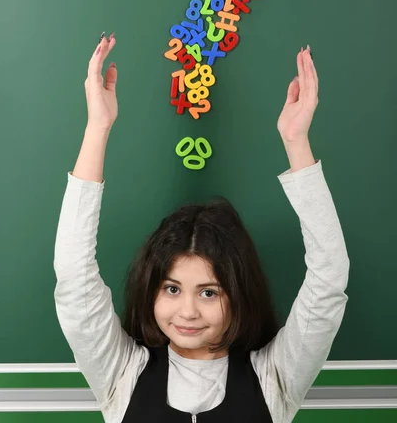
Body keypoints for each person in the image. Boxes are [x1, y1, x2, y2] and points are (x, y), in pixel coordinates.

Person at [54, 32, 350, 423]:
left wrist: (296, 143)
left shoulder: (275, 377)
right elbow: (75, 281)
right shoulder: (121, 374)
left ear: (237, 293)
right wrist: (97, 128)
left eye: (209, 292)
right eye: (172, 289)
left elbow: (328, 280)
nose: (187, 311)